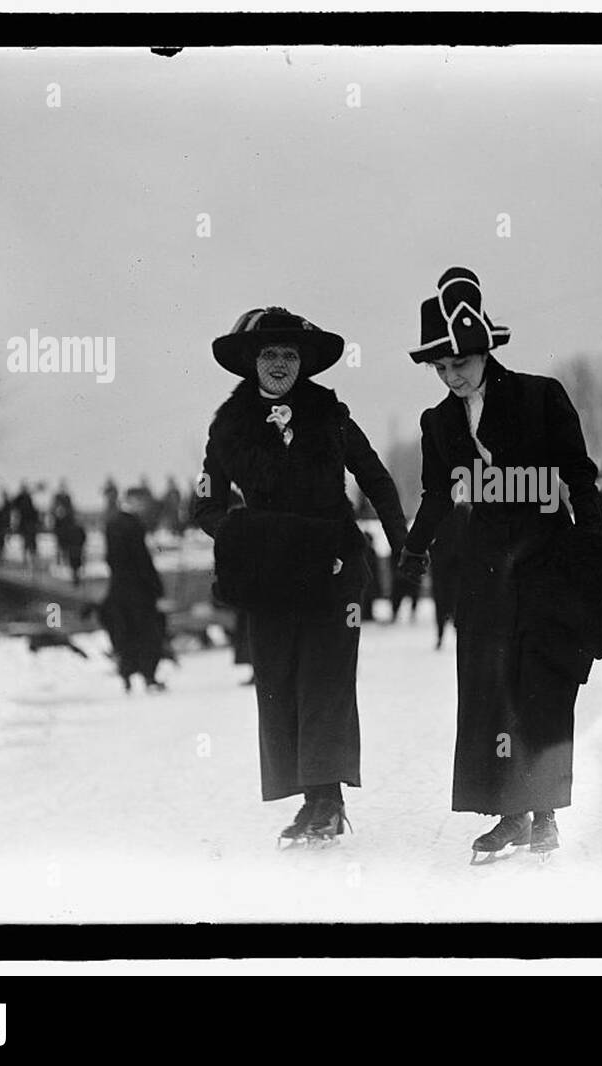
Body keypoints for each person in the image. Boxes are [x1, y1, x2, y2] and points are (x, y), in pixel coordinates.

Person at [396, 266, 602, 862]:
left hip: (547, 566)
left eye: (462, 364)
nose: (452, 377)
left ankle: (545, 812)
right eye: (442, 368)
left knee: (544, 689)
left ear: (485, 351)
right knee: (489, 693)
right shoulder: (437, 423)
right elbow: (434, 493)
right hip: (484, 579)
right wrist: (413, 546)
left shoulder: (541, 395)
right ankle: (508, 814)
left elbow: (578, 472)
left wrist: (594, 540)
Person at [192, 306, 407, 846]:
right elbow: (206, 505)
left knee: (326, 682)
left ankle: (328, 801)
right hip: (269, 576)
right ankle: (309, 800)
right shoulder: (227, 427)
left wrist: (405, 544)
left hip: (333, 568)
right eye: (270, 354)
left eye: (290, 355)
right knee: (279, 684)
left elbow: (376, 478)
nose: (281, 364)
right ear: (251, 363)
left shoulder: (329, 415)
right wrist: (244, 537)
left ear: (305, 363)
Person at [101, 487, 168, 693]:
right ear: (133, 501)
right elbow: (142, 560)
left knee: (125, 633)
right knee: (148, 633)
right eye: (142, 501)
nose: (145, 506)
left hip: (119, 588)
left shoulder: (112, 524)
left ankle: (126, 676)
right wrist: (156, 587)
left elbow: (110, 559)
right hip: (139, 591)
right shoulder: (134, 525)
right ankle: (149, 677)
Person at [429, 499, 469, 649]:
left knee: (443, 600)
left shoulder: (438, 506)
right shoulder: (462, 511)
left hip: (445, 561)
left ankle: (442, 634)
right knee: (455, 599)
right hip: (456, 562)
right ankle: (450, 634)